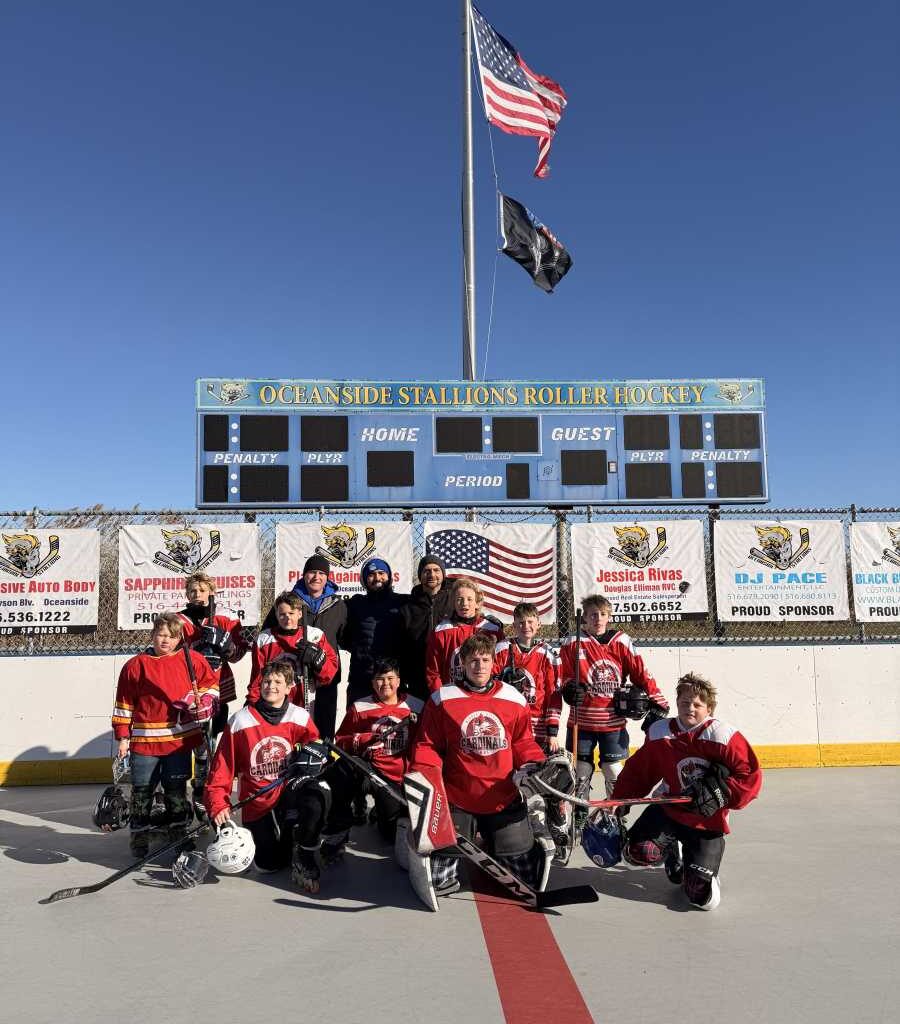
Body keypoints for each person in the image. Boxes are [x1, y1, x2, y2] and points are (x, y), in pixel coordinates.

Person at [408, 633, 548, 897]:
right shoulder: (442, 699)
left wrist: (535, 763)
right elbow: (427, 745)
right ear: (462, 663)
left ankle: (497, 844)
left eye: (485, 660)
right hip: (458, 798)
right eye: (473, 660)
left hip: (502, 798)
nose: (479, 666)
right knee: (440, 882)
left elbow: (522, 742)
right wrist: (426, 776)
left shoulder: (513, 698)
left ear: (494, 663)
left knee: (524, 877)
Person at [611, 672, 762, 910]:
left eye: (697, 705)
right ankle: (672, 848)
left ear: (709, 709)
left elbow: (750, 776)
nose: (689, 708)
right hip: (669, 810)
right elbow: (639, 771)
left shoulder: (723, 736)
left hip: (706, 821)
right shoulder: (660, 732)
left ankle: (700, 871)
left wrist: (720, 793)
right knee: (637, 853)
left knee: (701, 898)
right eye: (684, 703)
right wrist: (620, 800)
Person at [204, 662, 328, 892]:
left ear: (289, 687)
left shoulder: (299, 716)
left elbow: (316, 745)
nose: (271, 686)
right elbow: (222, 768)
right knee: (268, 865)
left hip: (288, 793)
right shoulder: (241, 721)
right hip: (258, 802)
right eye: (267, 681)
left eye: (278, 682)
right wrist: (218, 804)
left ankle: (304, 853)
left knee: (320, 791)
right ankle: (287, 845)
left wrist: (316, 753)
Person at [550, 594, 669, 819]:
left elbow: (640, 672)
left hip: (612, 720)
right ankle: (580, 814)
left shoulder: (621, 641)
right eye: (593, 614)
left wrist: (658, 701)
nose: (598, 619)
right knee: (581, 770)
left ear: (609, 616)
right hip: (581, 720)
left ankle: (615, 814)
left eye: (603, 614)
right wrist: (569, 687)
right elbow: (562, 674)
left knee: (613, 769)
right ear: (584, 617)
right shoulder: (573, 642)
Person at [112, 612, 219, 856]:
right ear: (153, 634)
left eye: (171, 636)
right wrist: (123, 737)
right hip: (145, 741)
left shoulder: (192, 660)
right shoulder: (136, 665)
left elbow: (211, 687)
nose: (165, 640)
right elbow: (124, 703)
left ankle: (179, 832)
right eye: (161, 635)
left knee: (175, 788)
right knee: (142, 789)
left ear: (179, 638)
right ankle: (139, 835)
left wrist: (204, 702)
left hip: (178, 741)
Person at [319, 657, 424, 863]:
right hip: (370, 770)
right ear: (373, 682)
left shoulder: (416, 706)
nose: (385, 683)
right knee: (344, 770)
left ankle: (379, 812)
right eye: (380, 679)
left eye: (390, 678)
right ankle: (339, 829)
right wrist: (362, 739)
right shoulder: (360, 707)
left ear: (399, 680)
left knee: (390, 835)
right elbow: (341, 742)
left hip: (399, 779)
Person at [261, 555, 348, 740]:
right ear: (304, 575)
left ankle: (324, 756)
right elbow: (269, 633)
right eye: (312, 572)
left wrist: (322, 659)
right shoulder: (290, 602)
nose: (316, 577)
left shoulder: (338, 605)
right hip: (293, 679)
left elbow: (345, 638)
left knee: (324, 732)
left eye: (321, 573)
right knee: (293, 729)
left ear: (327, 577)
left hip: (325, 679)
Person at [247, 591, 339, 709]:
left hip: (306, 701)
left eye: (291, 613)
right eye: (282, 614)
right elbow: (257, 678)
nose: (287, 618)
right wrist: (253, 703)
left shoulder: (314, 636)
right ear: (276, 615)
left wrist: (318, 662)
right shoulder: (264, 639)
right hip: (274, 702)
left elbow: (329, 674)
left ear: (299, 613)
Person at [493, 601, 560, 750]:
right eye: (521, 622)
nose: (526, 626)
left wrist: (552, 731)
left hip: (537, 725)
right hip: (507, 720)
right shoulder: (502, 649)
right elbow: (491, 684)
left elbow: (553, 694)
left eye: (530, 622)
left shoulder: (548, 654)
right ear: (514, 625)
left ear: (539, 624)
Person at [343, 557, 407, 706]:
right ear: (364, 580)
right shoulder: (355, 604)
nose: (377, 578)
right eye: (371, 574)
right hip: (361, 680)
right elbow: (344, 637)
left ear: (389, 576)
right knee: (357, 720)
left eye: (381, 573)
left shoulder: (403, 603)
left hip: (392, 681)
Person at [424, 577, 503, 692]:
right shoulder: (442, 631)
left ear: (477, 603)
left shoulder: (492, 630)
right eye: (459, 599)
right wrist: (440, 696)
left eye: (469, 599)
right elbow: (433, 671)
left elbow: (500, 665)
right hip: (452, 693)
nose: (464, 603)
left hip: (484, 694)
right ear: (453, 603)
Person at [397, 554, 454, 701]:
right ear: (420, 575)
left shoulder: (454, 601)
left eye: (436, 570)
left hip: (449, 676)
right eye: (426, 571)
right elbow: (401, 646)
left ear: (443, 574)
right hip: (417, 678)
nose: (432, 575)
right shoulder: (408, 607)